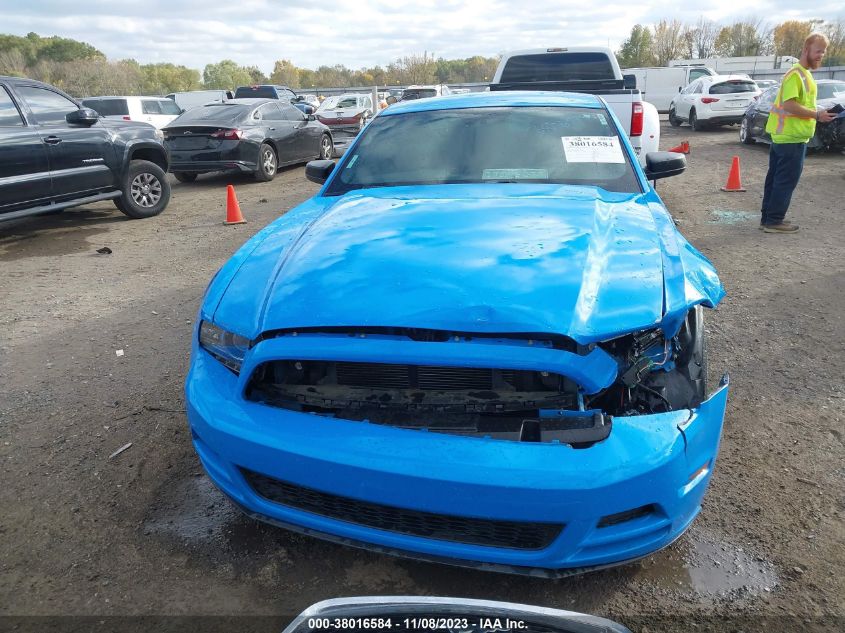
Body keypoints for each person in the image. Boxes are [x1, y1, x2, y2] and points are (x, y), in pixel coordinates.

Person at [759, 32, 836, 233]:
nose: (821, 55)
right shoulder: (797, 74)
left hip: (785, 136)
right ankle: (774, 221)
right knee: (785, 180)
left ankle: (768, 219)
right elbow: (789, 105)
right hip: (791, 138)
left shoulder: (803, 75)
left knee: (775, 179)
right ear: (806, 50)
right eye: (818, 51)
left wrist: (818, 112)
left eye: (823, 52)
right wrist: (816, 115)